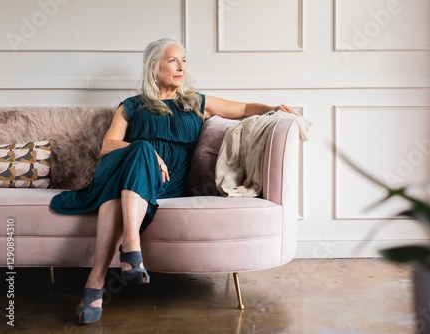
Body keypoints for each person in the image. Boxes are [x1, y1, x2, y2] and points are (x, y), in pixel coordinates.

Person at [49, 37, 294, 324]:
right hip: (123, 168)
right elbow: (108, 145)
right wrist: (149, 153)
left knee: (113, 199)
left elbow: (241, 110)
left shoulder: (196, 103)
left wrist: (273, 108)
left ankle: (95, 283)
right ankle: (131, 249)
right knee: (140, 148)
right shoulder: (131, 106)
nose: (181, 67)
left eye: (184, 61)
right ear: (154, 68)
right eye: (173, 61)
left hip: (166, 182)